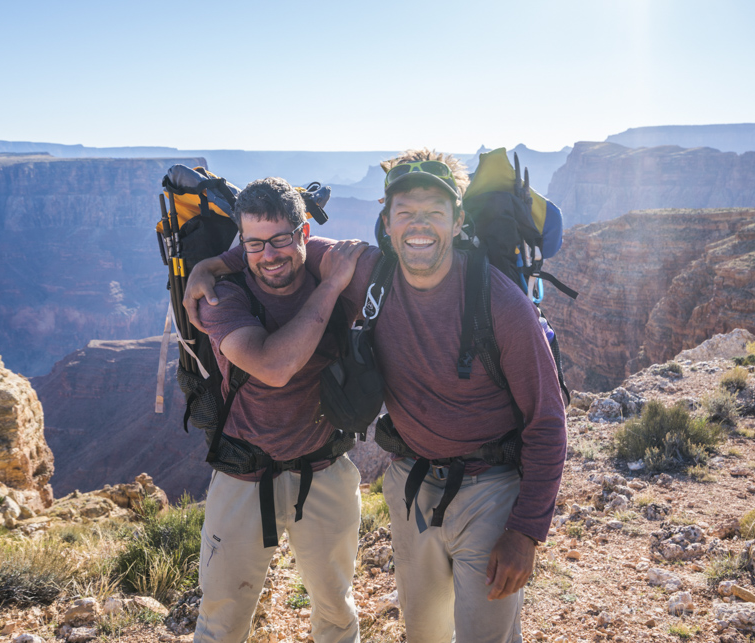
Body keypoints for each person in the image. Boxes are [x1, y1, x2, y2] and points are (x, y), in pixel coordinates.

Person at [186, 151, 567, 643]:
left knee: (477, 633)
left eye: (434, 212)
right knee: (422, 631)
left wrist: (526, 532)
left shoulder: (499, 303)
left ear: (458, 220)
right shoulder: (365, 273)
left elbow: (548, 421)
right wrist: (212, 264)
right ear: (386, 223)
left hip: (484, 485)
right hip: (406, 482)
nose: (419, 225)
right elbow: (271, 259)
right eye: (405, 212)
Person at [191, 177, 367, 643]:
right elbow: (274, 367)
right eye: (254, 244)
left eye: (281, 239)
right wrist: (331, 289)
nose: (269, 255)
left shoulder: (329, 261)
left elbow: (398, 270)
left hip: (323, 467)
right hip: (245, 475)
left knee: (336, 609)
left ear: (303, 233)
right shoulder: (222, 296)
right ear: (242, 244)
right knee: (220, 619)